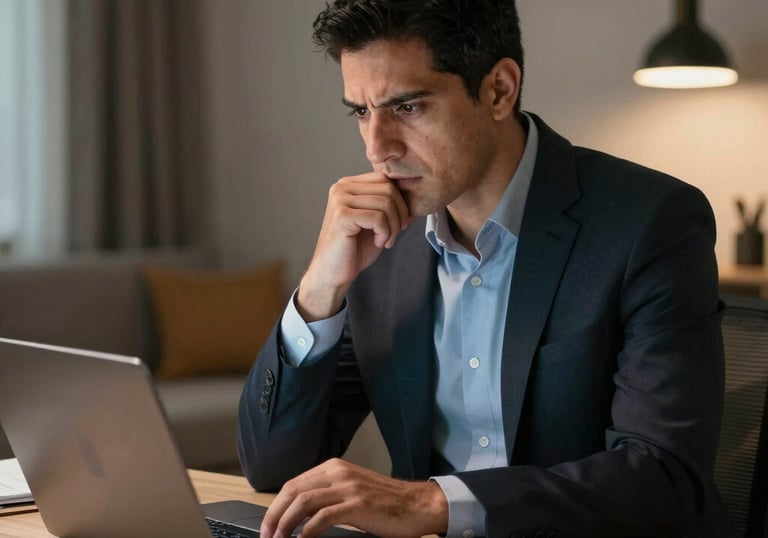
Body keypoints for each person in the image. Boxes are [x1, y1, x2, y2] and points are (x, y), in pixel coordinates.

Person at [238, 1, 735, 537]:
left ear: (499, 89)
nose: (377, 148)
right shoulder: (380, 245)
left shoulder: (650, 222)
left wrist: (433, 503)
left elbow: (663, 478)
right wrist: (320, 286)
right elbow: (273, 468)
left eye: (407, 107)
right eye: (361, 112)